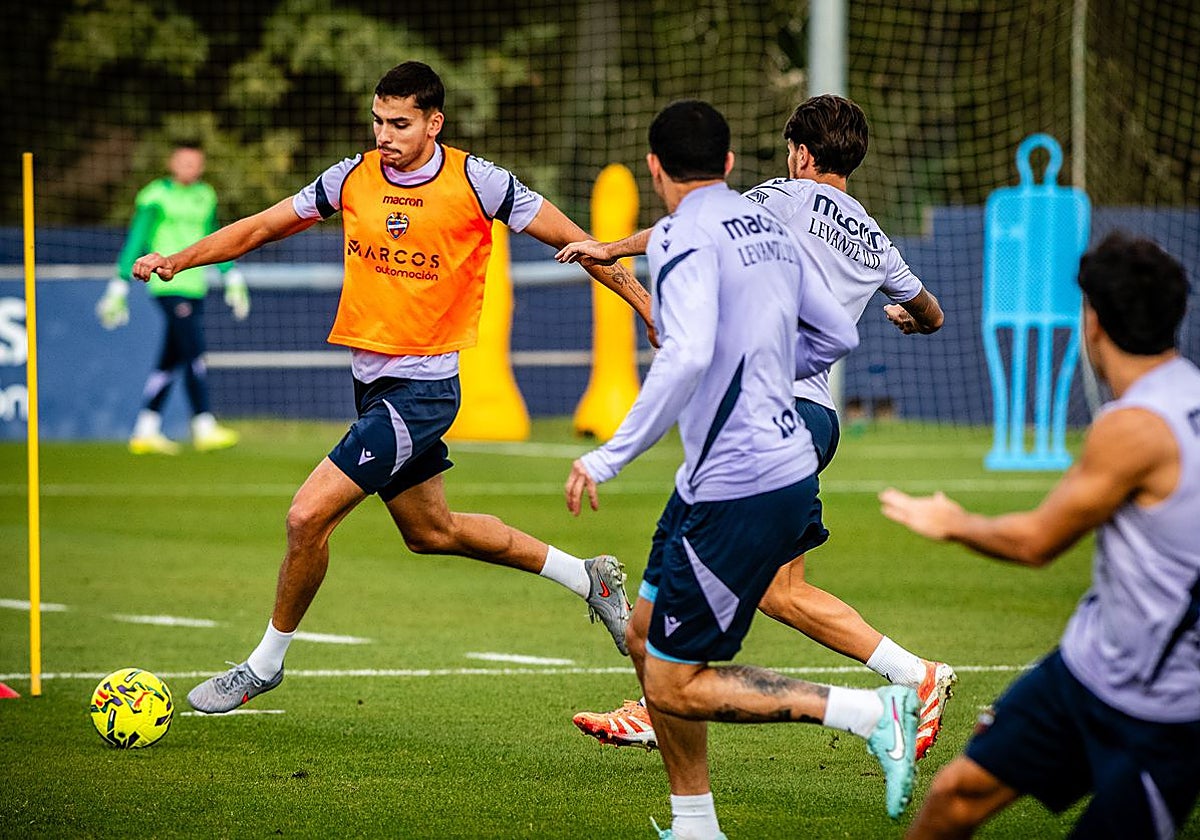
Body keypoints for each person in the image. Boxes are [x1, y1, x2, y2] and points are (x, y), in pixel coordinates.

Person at [132, 61, 657, 714]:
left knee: (305, 516)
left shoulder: (479, 181)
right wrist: (178, 258)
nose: (384, 134)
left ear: (434, 122)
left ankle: (263, 665)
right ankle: (588, 578)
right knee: (431, 531)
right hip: (373, 388)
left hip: (424, 393)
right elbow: (263, 226)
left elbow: (584, 243)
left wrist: (643, 305)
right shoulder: (350, 177)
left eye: (400, 123)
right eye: (378, 120)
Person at [559, 94, 954, 760]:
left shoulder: (784, 197)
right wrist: (916, 321)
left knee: (698, 558)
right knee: (781, 589)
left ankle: (664, 697)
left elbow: (700, 220)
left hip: (763, 413)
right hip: (818, 416)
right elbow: (930, 310)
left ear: (800, 154)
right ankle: (915, 675)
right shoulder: (873, 236)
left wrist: (609, 246)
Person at [880, 232, 1200, 839]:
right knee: (956, 795)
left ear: (1095, 324)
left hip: (1164, 716)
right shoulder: (1184, 394)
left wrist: (954, 523)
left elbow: (1037, 542)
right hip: (1084, 673)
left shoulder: (1133, 428)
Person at [97, 140, 247, 454]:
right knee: (194, 352)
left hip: (195, 286)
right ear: (172, 163)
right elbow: (137, 238)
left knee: (171, 359)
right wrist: (119, 285)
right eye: (184, 162)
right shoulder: (155, 195)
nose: (190, 168)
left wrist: (230, 276)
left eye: (196, 163)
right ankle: (203, 424)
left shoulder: (205, 196)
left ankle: (145, 428)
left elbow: (215, 238)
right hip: (167, 285)